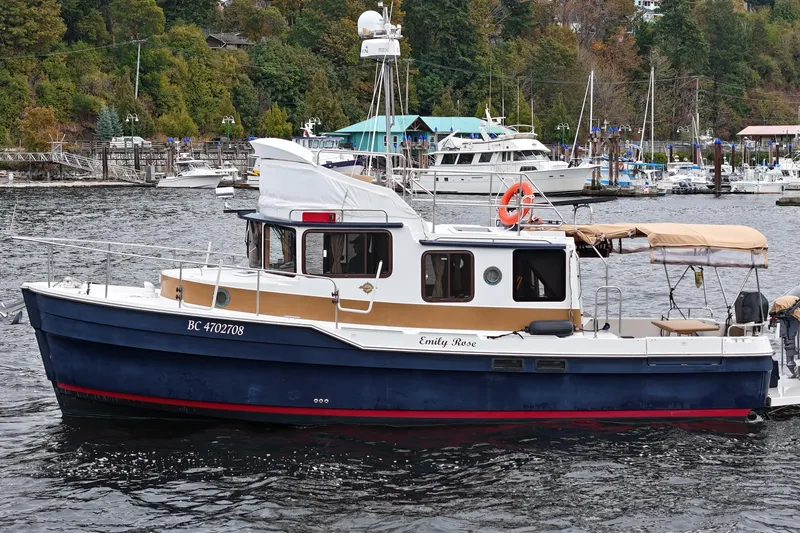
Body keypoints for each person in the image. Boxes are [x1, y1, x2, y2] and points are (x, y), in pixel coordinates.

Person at [770, 295, 800, 378]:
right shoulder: (794, 300)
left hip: (785, 311)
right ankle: (792, 365)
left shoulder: (778, 303)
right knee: (789, 338)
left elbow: (772, 313)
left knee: (787, 339)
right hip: (791, 313)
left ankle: (791, 365)